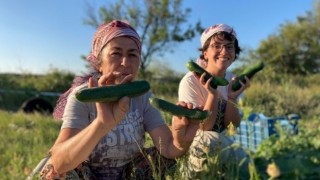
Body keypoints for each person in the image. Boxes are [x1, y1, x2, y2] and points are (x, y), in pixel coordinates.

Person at [39, 20, 201, 179]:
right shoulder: (82, 97)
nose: (125, 62)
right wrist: (101, 124)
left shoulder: (143, 96)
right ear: (99, 63)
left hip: (129, 174)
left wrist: (181, 142)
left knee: (165, 160)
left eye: (132, 54)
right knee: (54, 175)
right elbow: (58, 162)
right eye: (116, 53)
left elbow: (167, 148)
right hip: (89, 175)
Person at [178, 24, 250, 178]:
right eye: (217, 46)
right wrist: (213, 94)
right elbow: (204, 128)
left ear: (235, 53)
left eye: (229, 47)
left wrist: (231, 97)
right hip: (196, 139)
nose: (224, 51)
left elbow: (233, 127)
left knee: (247, 165)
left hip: (224, 140)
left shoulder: (233, 79)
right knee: (211, 141)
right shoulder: (190, 81)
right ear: (205, 53)